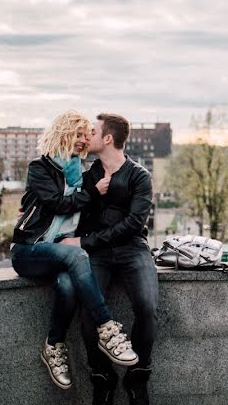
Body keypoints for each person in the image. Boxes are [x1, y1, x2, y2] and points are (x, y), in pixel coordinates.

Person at [11, 110, 139, 391]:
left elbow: (87, 214)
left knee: (68, 286)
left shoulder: (78, 175)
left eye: (86, 134)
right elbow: (59, 204)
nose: (83, 140)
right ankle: (106, 328)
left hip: (60, 254)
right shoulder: (40, 168)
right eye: (78, 134)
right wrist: (92, 192)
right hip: (29, 250)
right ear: (64, 134)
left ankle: (53, 346)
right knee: (77, 254)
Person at [60, 113, 159, 405]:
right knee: (89, 318)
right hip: (97, 255)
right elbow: (69, 207)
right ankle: (103, 379)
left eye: (93, 131)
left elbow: (132, 224)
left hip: (132, 249)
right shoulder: (87, 175)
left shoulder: (139, 175)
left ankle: (137, 378)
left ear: (108, 139)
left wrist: (85, 241)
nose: (87, 136)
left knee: (147, 307)